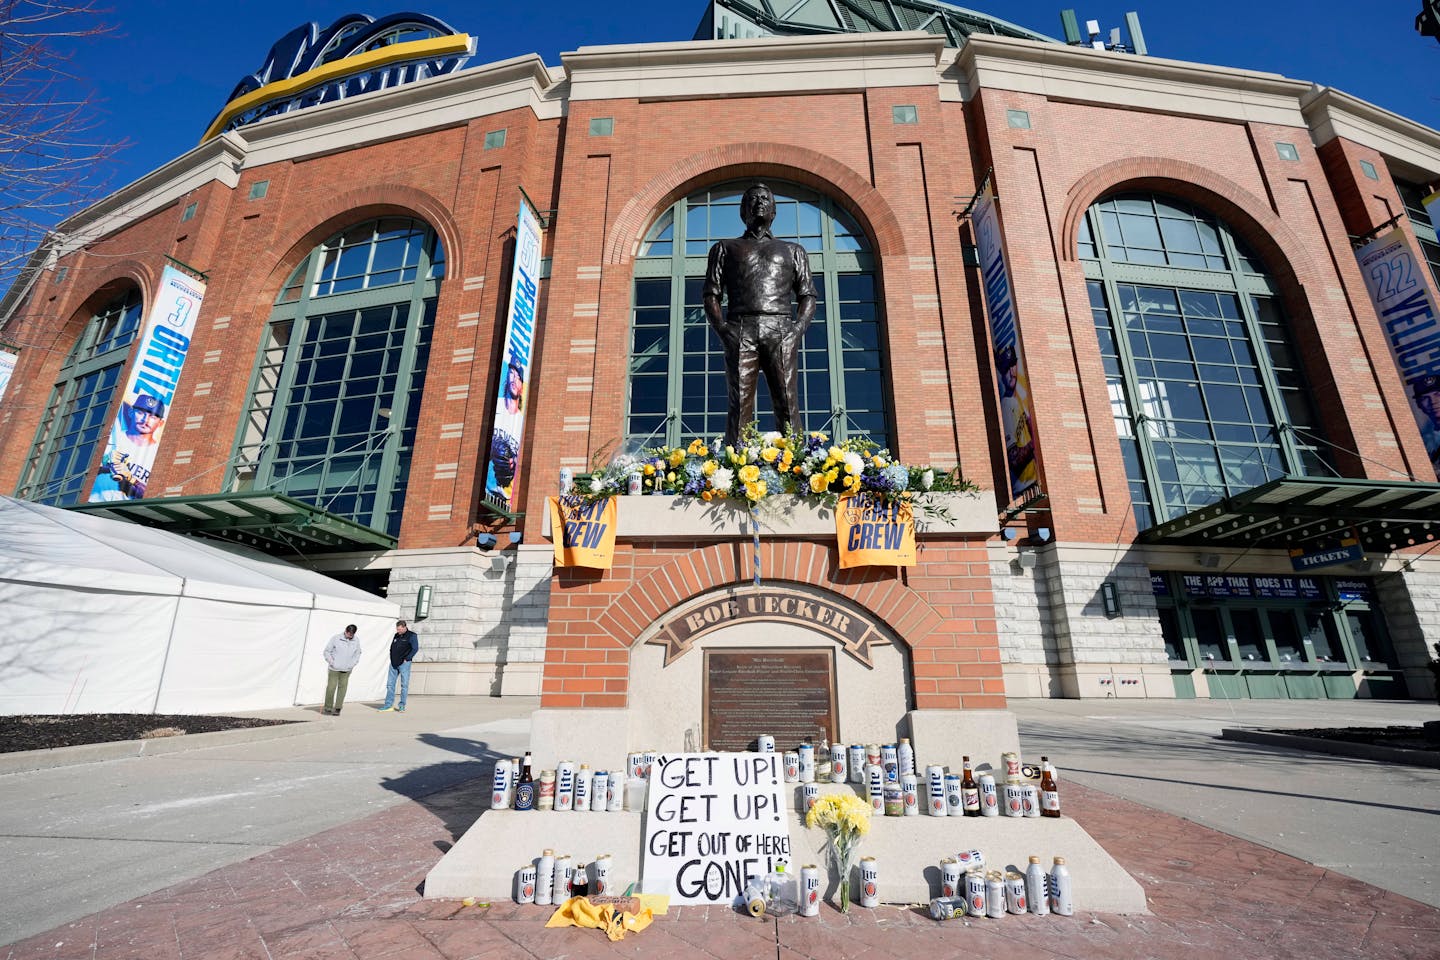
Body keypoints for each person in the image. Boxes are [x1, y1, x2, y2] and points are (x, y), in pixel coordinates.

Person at [704, 182, 817, 447]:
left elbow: (807, 295)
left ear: (774, 211)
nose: (759, 203)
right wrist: (723, 329)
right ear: (743, 210)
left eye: (765, 199)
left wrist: (797, 329)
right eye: (752, 199)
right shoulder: (725, 248)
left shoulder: (792, 250)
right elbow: (711, 294)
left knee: (787, 401)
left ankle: (797, 465)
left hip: (781, 327)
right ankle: (736, 466)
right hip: (741, 327)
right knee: (740, 401)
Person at [91, 394, 167, 501]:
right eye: (140, 413)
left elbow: (155, 496)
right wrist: (104, 464)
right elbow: (83, 471)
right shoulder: (112, 436)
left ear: (160, 423)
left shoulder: (159, 455)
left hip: (126, 513)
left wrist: (131, 478)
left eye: (153, 417)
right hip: (93, 502)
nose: (145, 420)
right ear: (131, 413)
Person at [380, 619, 419, 712]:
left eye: (400, 629)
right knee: (390, 685)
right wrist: (392, 658)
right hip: (393, 663)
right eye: (397, 629)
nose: (398, 631)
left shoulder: (412, 635)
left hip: (404, 664)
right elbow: (391, 648)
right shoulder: (396, 635)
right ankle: (388, 705)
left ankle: (402, 705)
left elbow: (415, 649)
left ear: (405, 627)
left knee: (404, 685)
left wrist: (407, 658)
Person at [322, 624, 361, 716]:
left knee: (342, 689)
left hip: (347, 669)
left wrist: (352, 664)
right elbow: (327, 651)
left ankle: (338, 708)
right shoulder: (336, 638)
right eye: (348, 634)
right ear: (346, 631)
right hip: (334, 669)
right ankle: (328, 707)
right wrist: (332, 662)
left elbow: (358, 653)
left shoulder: (356, 640)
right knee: (331, 687)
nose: (349, 636)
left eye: (352, 634)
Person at [1412, 374, 1440, 477]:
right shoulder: (1422, 439)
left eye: (1438, 394)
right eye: (1425, 398)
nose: (1433, 402)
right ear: (1419, 404)